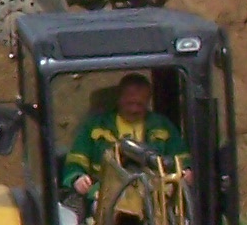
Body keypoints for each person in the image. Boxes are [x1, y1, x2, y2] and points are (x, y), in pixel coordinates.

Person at [62, 72, 183, 202]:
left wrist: (186, 172)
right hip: (104, 195)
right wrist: (77, 178)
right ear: (119, 98)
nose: (134, 110)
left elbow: (181, 158)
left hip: (155, 195)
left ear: (148, 101)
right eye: (130, 103)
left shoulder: (162, 126)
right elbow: (76, 161)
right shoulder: (95, 126)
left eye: (139, 104)